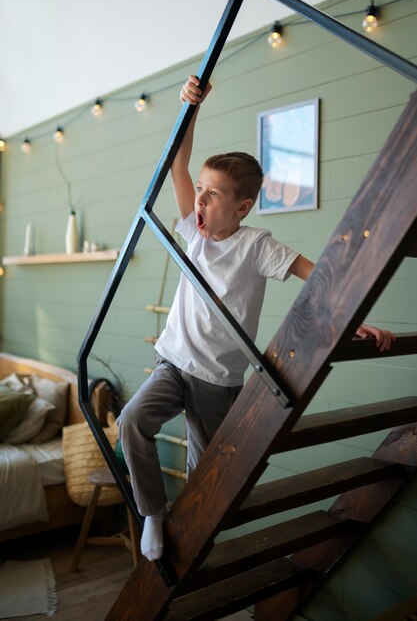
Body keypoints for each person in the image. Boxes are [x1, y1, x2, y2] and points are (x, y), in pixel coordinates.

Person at [117, 75, 395, 562]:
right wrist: (191, 108)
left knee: (208, 473)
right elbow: (178, 164)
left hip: (218, 379)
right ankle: (153, 515)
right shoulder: (194, 234)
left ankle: (192, 534)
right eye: (199, 192)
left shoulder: (256, 246)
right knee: (132, 420)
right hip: (174, 362)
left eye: (213, 195)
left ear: (242, 207)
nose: (199, 202)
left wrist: (354, 319)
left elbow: (318, 276)